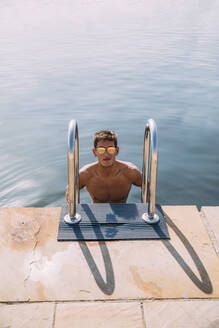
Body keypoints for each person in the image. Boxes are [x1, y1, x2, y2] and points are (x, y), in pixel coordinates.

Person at [66, 130, 142, 203]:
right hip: (96, 214)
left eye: (111, 149)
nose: (106, 154)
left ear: (117, 151)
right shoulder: (86, 174)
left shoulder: (130, 172)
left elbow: (148, 188)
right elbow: (69, 190)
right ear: (95, 152)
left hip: (123, 213)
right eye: (101, 150)